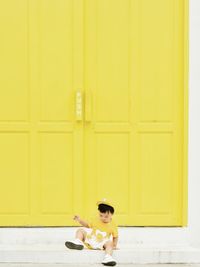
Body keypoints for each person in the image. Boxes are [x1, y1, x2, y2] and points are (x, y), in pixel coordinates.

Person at [65, 198, 118, 266]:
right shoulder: (96, 219)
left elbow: (115, 236)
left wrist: (114, 245)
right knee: (80, 230)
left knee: (109, 243)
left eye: (106, 216)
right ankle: (78, 242)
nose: (103, 218)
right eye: (101, 215)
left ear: (112, 214)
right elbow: (87, 225)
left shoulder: (113, 224)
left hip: (102, 242)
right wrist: (80, 220)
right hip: (91, 238)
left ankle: (108, 257)